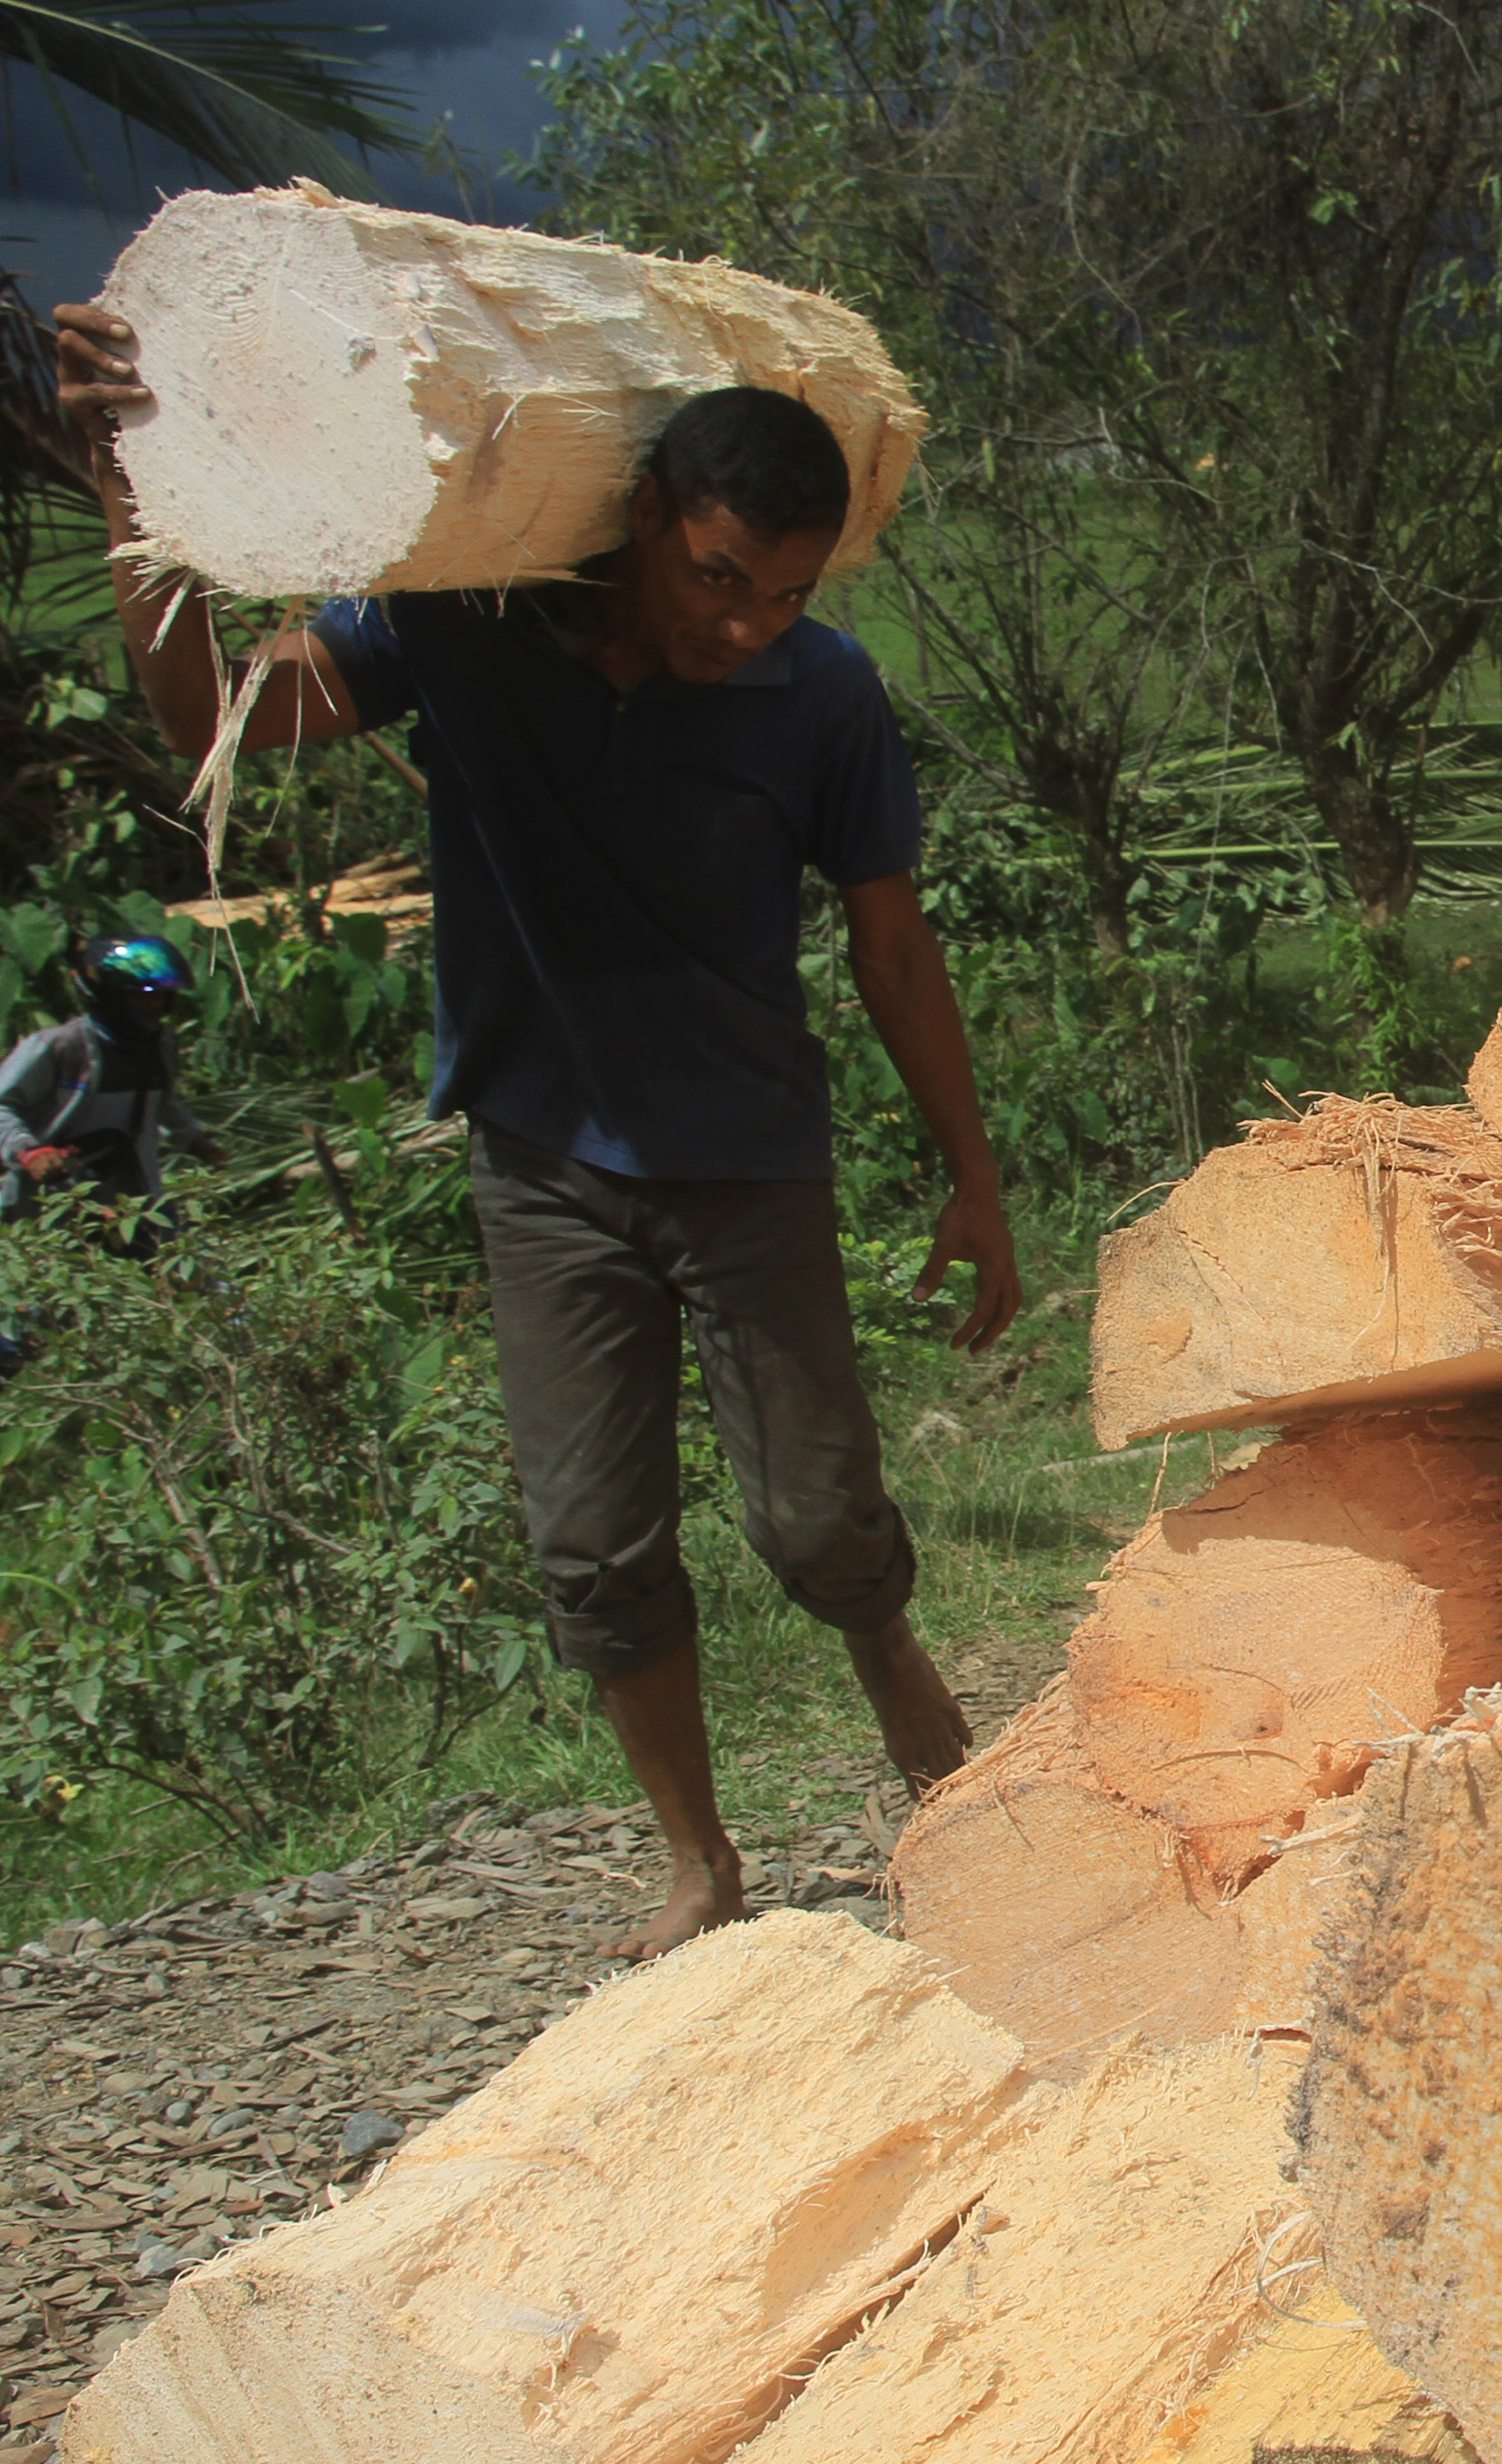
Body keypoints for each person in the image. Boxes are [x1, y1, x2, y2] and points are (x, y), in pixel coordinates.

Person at [53, 299, 1024, 1959]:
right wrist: (129, 483)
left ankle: (898, 1681)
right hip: (545, 1161)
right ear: (649, 516)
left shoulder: (823, 697)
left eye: (786, 592)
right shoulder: (464, 629)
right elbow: (223, 707)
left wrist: (973, 1177)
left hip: (748, 1158)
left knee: (813, 1518)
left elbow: (894, 948)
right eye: (720, 576)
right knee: (593, 1544)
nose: (745, 624)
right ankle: (701, 1863)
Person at [0, 934, 210, 1226]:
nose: (153, 1006)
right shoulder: (60, 1047)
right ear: (106, 996)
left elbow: (159, 1102)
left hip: (136, 1197)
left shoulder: (159, 1045)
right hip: (54, 1205)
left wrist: (195, 1140)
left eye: (160, 997)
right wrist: (27, 1151)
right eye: (142, 997)